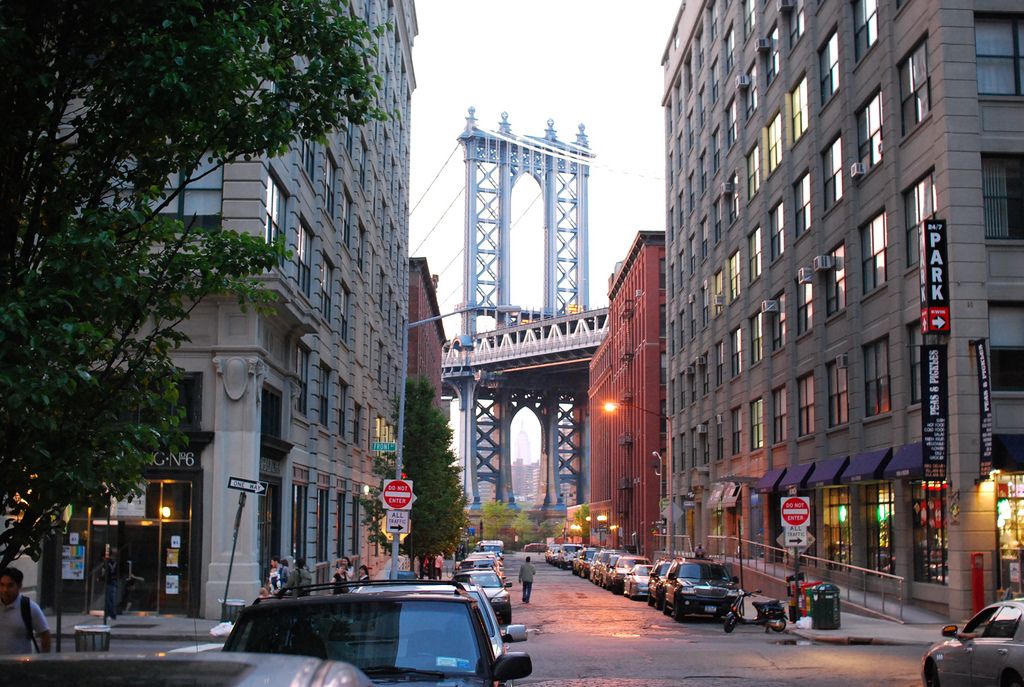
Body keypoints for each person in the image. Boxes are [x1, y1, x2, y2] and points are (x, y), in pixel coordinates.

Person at [0, 567, 51, 654]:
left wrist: (43, 661)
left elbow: (45, 634)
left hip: (20, 666)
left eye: (10, 585)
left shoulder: (29, 607)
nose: (5, 590)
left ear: (19, 586)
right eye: (2, 585)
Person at [101, 549, 119, 621]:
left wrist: (100, 578)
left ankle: (109, 614)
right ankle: (112, 615)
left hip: (108, 582)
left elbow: (104, 573)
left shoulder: (106, 563)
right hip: (113, 581)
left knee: (108, 599)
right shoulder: (114, 562)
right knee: (111, 599)